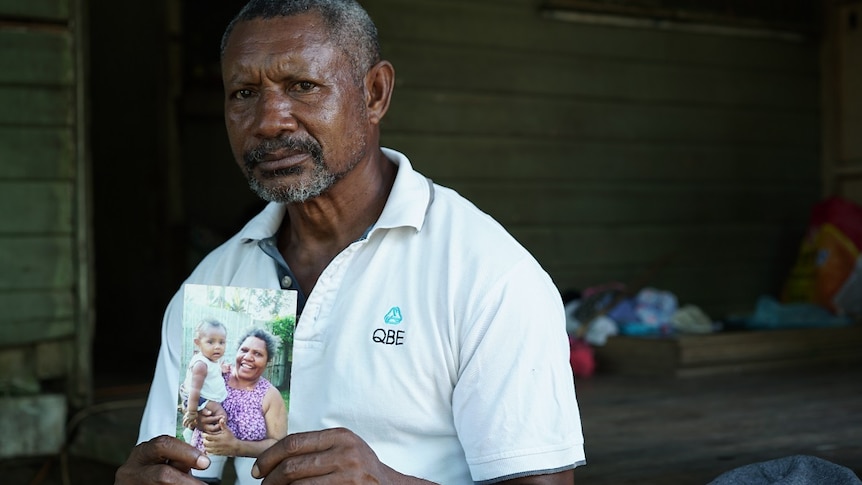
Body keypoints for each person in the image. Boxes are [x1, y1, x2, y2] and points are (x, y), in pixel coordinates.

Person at [115, 0, 586, 483]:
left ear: (375, 94)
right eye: (243, 93)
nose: (270, 121)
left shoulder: (487, 274)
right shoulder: (217, 282)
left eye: (303, 86)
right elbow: (191, 467)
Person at [190, 328, 288, 484]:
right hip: (206, 456)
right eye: (244, 350)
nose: (248, 357)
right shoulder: (216, 375)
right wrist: (195, 418)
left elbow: (279, 444)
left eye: (258, 354)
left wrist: (236, 446)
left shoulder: (271, 395)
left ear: (268, 361)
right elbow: (187, 399)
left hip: (250, 466)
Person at [179, 319, 229, 437]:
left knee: (211, 416)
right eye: (211, 342)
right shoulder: (201, 365)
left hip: (203, 397)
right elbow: (194, 390)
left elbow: (211, 374)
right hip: (199, 398)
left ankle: (190, 432)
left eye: (221, 342)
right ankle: (218, 437)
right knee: (221, 415)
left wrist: (220, 370)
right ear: (198, 342)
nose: (217, 347)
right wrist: (191, 412)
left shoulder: (211, 360)